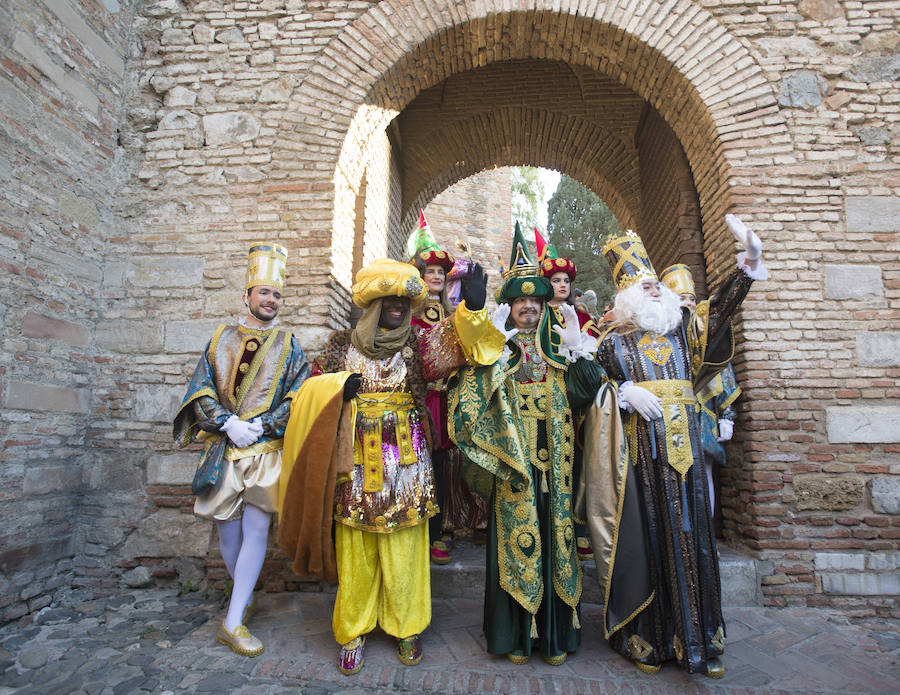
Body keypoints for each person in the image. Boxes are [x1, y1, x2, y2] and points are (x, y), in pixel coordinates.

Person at [277, 257, 501, 675]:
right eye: (388, 300)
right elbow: (307, 392)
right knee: (356, 547)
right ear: (372, 304)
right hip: (355, 463)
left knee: (405, 548)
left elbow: (462, 346)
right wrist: (336, 386)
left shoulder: (417, 346)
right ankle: (352, 630)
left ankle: (406, 626)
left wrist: (470, 311)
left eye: (402, 301)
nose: (396, 306)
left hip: (408, 463)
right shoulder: (341, 344)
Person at [581, 216, 766, 678]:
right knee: (652, 544)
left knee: (695, 540)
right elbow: (594, 388)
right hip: (643, 461)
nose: (655, 290)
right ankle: (654, 639)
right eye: (644, 287)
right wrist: (622, 393)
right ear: (625, 298)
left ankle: (701, 639)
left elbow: (719, 310)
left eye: (655, 283)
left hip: (687, 458)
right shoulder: (611, 345)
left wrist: (749, 263)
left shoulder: (685, 330)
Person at [450, 222, 604, 666]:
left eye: (535, 302)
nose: (528, 309)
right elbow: (470, 397)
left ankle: (553, 637)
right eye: (520, 302)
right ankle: (514, 637)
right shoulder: (499, 350)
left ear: (543, 306)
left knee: (555, 539)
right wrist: (489, 343)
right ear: (511, 307)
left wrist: (580, 351)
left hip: (555, 464)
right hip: (514, 464)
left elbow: (585, 391)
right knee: (516, 541)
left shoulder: (559, 347)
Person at [173, 243, 310, 657]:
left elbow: (298, 394)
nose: (271, 300)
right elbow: (200, 389)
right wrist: (227, 422)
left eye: (277, 294)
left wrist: (262, 425)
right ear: (247, 296)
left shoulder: (290, 345)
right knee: (227, 534)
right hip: (224, 447)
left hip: (264, 449)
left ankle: (232, 622)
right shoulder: (220, 339)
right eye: (264, 292)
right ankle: (242, 598)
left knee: (255, 531)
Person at [661, 264, 742, 514]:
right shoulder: (661, 334)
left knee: (704, 469)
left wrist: (727, 415)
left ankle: (705, 533)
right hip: (671, 411)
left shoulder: (706, 332)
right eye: (681, 298)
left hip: (703, 411)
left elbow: (722, 369)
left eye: (691, 299)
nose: (688, 303)